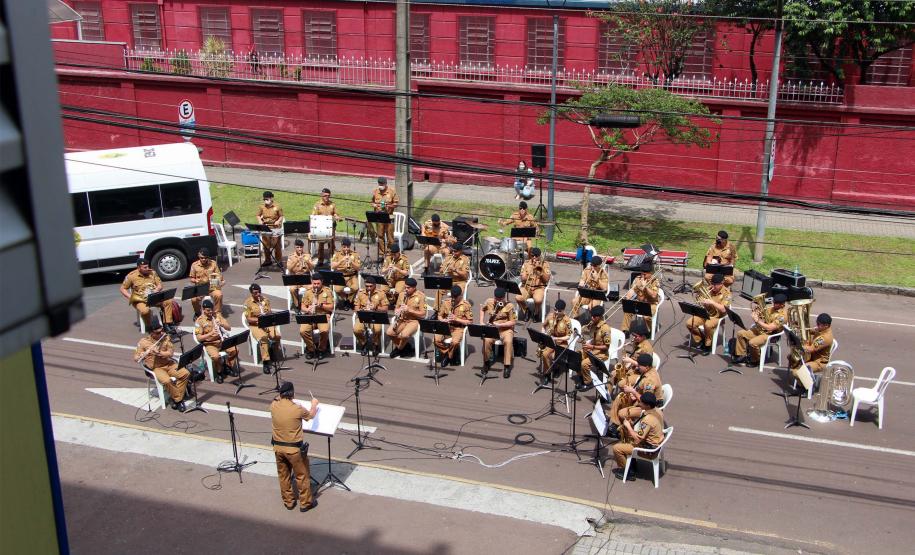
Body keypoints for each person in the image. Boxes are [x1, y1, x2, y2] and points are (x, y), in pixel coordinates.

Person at [270, 381, 319, 512]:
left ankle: (289, 501)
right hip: (294, 450)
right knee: (301, 475)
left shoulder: (274, 405)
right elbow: (311, 415)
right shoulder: (297, 409)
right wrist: (314, 404)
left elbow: (276, 398)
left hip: (278, 448)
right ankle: (305, 503)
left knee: (283, 475)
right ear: (292, 394)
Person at [134, 319, 190, 411]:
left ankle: (176, 398)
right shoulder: (143, 342)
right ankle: (179, 400)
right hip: (157, 368)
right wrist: (141, 355)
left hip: (169, 364)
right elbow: (135, 358)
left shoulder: (166, 338)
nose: (161, 333)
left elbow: (170, 353)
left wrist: (159, 352)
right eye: (158, 332)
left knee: (185, 373)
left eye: (161, 331)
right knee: (167, 381)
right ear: (151, 333)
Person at [610, 391, 665, 482]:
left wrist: (628, 426)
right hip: (655, 441)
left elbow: (637, 439)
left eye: (641, 402)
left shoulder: (648, 420)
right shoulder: (658, 411)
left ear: (647, 405)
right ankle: (631, 463)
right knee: (627, 438)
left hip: (648, 450)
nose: (639, 403)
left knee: (616, 448)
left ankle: (628, 472)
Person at [607, 353, 663, 436]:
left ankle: (625, 432)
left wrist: (633, 392)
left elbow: (647, 401)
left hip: (649, 407)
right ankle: (616, 424)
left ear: (647, 367)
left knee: (622, 413)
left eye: (639, 366)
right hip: (643, 397)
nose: (637, 367)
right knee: (620, 397)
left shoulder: (650, 381)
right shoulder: (649, 369)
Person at [733, 293, 788, 367]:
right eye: (774, 302)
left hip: (771, 335)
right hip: (761, 330)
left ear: (782, 305)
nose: (774, 304)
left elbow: (770, 328)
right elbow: (761, 314)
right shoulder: (771, 308)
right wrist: (755, 313)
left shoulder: (783, 316)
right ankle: (741, 355)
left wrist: (758, 321)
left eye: (776, 303)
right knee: (741, 333)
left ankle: (755, 360)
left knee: (752, 343)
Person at [684, 273, 732, 355]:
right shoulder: (709, 289)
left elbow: (724, 309)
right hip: (706, 313)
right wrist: (702, 302)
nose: (713, 286)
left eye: (715, 285)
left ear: (721, 284)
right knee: (689, 323)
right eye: (712, 283)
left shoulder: (727, 293)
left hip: (718, 316)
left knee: (708, 325)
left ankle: (707, 345)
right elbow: (700, 300)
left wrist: (712, 302)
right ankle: (700, 340)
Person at [120, 258, 174, 330]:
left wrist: (156, 290)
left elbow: (160, 285)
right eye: (145, 267)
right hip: (140, 300)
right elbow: (122, 288)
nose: (147, 268)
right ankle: (149, 326)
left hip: (153, 297)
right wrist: (130, 297)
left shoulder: (153, 273)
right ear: (139, 268)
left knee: (168, 301)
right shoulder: (131, 276)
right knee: (145, 311)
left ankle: (167, 323)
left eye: (148, 266)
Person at [194, 299, 239, 382]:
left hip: (221, 340)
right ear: (203, 310)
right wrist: (210, 334)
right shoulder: (199, 321)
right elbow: (199, 338)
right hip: (210, 343)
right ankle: (219, 372)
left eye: (211, 309)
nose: (210, 312)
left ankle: (228, 366)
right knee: (215, 357)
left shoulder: (217, 316)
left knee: (234, 350)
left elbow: (229, 328)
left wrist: (221, 324)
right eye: (208, 310)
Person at [480, 287, 517, 378]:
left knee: (508, 342)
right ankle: (486, 362)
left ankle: (507, 366)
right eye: (496, 298)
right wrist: (481, 321)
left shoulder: (509, 306)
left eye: (500, 299)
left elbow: (513, 322)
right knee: (487, 340)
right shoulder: (489, 301)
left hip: (506, 329)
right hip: (493, 328)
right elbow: (482, 309)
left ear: (504, 297)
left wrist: (500, 325)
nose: (498, 300)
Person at [244, 283, 280, 374]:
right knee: (263, 338)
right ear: (251, 293)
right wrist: (259, 319)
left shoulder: (265, 300)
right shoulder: (247, 303)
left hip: (267, 323)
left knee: (277, 336)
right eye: (255, 293)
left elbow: (270, 312)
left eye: (259, 292)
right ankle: (266, 362)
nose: (258, 294)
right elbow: (248, 318)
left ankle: (273, 351)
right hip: (256, 325)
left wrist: (267, 314)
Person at [387, 277, 427, 358]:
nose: (406, 289)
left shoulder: (421, 296)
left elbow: (423, 314)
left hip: (413, 321)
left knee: (404, 335)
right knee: (389, 332)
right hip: (402, 319)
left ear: (414, 288)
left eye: (408, 288)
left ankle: (399, 349)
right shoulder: (402, 294)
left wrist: (410, 310)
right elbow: (396, 307)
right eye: (405, 287)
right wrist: (397, 311)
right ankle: (405, 347)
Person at [434, 285, 473, 367]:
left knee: (454, 342)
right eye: (452, 297)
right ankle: (447, 353)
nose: (454, 299)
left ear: (460, 295)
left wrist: (456, 319)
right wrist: (443, 320)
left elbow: (470, 322)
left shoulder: (466, 305)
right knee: (436, 340)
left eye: (456, 297)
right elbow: (439, 316)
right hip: (447, 325)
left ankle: (448, 357)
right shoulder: (446, 302)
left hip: (458, 327)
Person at [299, 274, 334, 359]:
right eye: (314, 283)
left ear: (322, 282)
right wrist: (307, 310)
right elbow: (302, 306)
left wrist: (321, 305)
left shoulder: (327, 291)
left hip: (323, 315)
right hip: (310, 315)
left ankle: (322, 349)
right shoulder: (308, 291)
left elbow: (331, 307)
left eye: (318, 284)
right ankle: (311, 349)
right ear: (312, 282)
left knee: (324, 331)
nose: (316, 286)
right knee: (303, 331)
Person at [578, 305, 613, 390]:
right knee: (578, 355)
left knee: (584, 363)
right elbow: (593, 337)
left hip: (601, 353)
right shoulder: (594, 324)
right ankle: (582, 376)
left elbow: (606, 347)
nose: (592, 318)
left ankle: (588, 383)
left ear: (600, 317)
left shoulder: (605, 329)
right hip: (593, 349)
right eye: (591, 316)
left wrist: (592, 346)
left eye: (594, 317)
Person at [790, 313, 834, 378]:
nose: (817, 325)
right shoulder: (822, 329)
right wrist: (799, 325)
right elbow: (810, 330)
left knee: (796, 372)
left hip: (818, 363)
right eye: (817, 323)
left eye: (818, 324)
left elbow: (811, 349)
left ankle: (809, 386)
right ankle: (801, 381)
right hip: (813, 357)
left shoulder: (825, 338)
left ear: (826, 325)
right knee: (791, 358)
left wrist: (797, 345)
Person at [539, 299, 572, 386]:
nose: (556, 312)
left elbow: (569, 336)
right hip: (551, 341)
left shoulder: (567, 320)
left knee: (554, 356)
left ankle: (557, 367)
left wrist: (557, 338)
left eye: (559, 311)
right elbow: (543, 326)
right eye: (555, 309)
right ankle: (547, 374)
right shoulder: (550, 316)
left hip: (562, 343)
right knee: (545, 354)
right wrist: (544, 334)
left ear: (563, 310)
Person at [620, 262, 660, 335]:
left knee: (647, 316)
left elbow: (654, 295)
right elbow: (632, 290)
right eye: (642, 273)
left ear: (650, 273)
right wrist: (627, 297)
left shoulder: (655, 281)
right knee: (627, 310)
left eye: (645, 274)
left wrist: (646, 287)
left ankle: (650, 330)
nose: (642, 276)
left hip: (651, 303)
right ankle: (625, 330)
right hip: (640, 302)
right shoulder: (638, 279)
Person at [609, 320, 652, 386]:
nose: (634, 338)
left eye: (636, 336)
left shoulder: (646, 349)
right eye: (633, 335)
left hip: (639, 373)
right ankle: (607, 395)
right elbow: (634, 355)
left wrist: (631, 361)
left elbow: (645, 367)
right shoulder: (637, 342)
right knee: (612, 374)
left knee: (621, 384)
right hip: (631, 367)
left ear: (643, 336)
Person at [353, 277, 388, 355]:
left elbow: (385, 309)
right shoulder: (360, 293)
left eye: (370, 286)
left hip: (375, 315)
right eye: (367, 286)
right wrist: (362, 310)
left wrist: (376, 307)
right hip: (363, 315)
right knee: (356, 330)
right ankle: (364, 343)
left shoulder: (381, 293)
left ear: (375, 285)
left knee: (377, 330)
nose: (368, 288)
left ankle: (375, 344)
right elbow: (356, 307)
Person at [570, 256, 608, 322]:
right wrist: (581, 285)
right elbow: (582, 280)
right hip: (588, 293)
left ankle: (592, 323)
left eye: (595, 265)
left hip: (597, 295)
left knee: (592, 306)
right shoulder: (587, 270)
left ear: (599, 265)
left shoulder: (603, 274)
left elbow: (605, 288)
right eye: (591, 264)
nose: (592, 267)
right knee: (574, 301)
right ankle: (576, 318)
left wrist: (597, 279)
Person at [188, 248, 224, 317]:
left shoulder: (213, 263)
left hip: (212, 287)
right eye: (202, 258)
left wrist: (219, 280)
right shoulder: (194, 265)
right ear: (199, 256)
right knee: (194, 299)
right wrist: (195, 280)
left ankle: (217, 313)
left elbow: (219, 275)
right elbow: (191, 278)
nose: (203, 259)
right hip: (200, 288)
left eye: (205, 258)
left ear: (208, 257)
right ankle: (198, 313)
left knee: (219, 294)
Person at [517, 247, 550, 322]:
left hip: (539, 288)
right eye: (532, 255)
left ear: (539, 256)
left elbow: (546, 280)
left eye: (536, 256)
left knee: (538, 300)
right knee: (518, 297)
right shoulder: (526, 263)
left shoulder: (545, 264)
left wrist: (541, 272)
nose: (534, 257)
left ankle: (536, 312)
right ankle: (526, 311)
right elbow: (522, 279)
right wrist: (530, 270)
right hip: (527, 286)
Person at [312, 188, 342, 266]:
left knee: (332, 243)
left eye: (328, 196)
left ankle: (332, 259)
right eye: (325, 196)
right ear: (322, 195)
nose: (327, 197)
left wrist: (337, 216)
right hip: (321, 228)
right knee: (321, 244)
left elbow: (336, 214)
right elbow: (314, 216)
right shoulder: (317, 205)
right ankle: (320, 260)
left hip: (331, 227)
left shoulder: (332, 204)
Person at [435, 243, 470, 311]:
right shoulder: (449, 257)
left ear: (461, 251)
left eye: (456, 251)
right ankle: (437, 310)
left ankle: (456, 310)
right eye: (453, 251)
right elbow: (441, 270)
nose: (453, 253)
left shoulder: (465, 259)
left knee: (456, 292)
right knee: (439, 290)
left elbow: (465, 275)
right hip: (449, 280)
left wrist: (455, 269)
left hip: (460, 282)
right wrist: (444, 269)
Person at [370, 176, 399, 259]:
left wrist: (389, 206)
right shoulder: (375, 191)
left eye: (382, 184)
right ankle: (382, 254)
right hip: (379, 216)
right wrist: (374, 205)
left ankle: (390, 253)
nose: (381, 185)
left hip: (389, 216)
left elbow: (396, 203)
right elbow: (371, 202)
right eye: (379, 184)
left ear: (386, 184)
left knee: (390, 236)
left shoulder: (392, 191)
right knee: (380, 236)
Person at [330, 237, 361, 310]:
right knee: (337, 289)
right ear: (341, 246)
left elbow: (358, 268)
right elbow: (333, 266)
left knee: (355, 287)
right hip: (341, 276)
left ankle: (349, 301)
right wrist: (341, 261)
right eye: (344, 247)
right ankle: (345, 299)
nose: (346, 249)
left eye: (347, 247)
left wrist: (352, 262)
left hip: (351, 276)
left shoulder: (355, 254)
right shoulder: (337, 254)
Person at [256, 191, 284, 267]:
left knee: (277, 245)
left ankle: (279, 260)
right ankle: (268, 260)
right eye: (264, 199)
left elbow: (281, 216)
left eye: (267, 199)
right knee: (266, 245)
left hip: (275, 227)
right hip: (266, 227)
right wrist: (259, 221)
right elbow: (258, 215)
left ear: (271, 198)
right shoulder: (262, 207)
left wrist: (278, 221)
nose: (265, 201)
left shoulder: (277, 206)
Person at [286, 238, 314, 311]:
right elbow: (289, 268)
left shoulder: (307, 255)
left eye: (301, 247)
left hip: (305, 277)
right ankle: (297, 305)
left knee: (312, 288)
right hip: (295, 277)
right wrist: (296, 261)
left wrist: (307, 262)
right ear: (295, 247)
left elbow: (312, 268)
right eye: (297, 247)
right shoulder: (291, 256)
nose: (299, 249)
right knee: (292, 289)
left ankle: (308, 304)